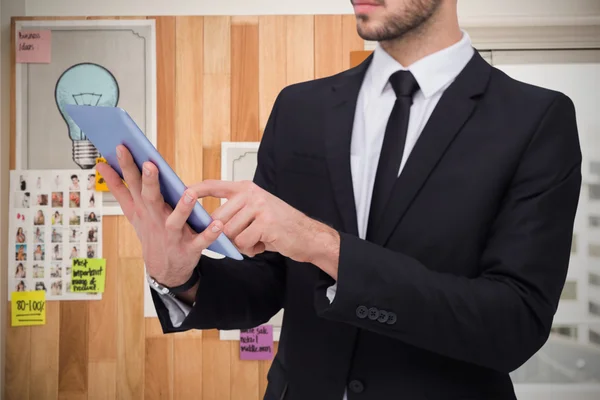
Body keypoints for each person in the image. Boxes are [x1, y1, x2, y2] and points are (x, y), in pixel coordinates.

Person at [97, 1, 582, 398]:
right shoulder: (298, 109)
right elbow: (269, 284)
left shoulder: (536, 121)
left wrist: (323, 246)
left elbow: (513, 325)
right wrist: (180, 276)